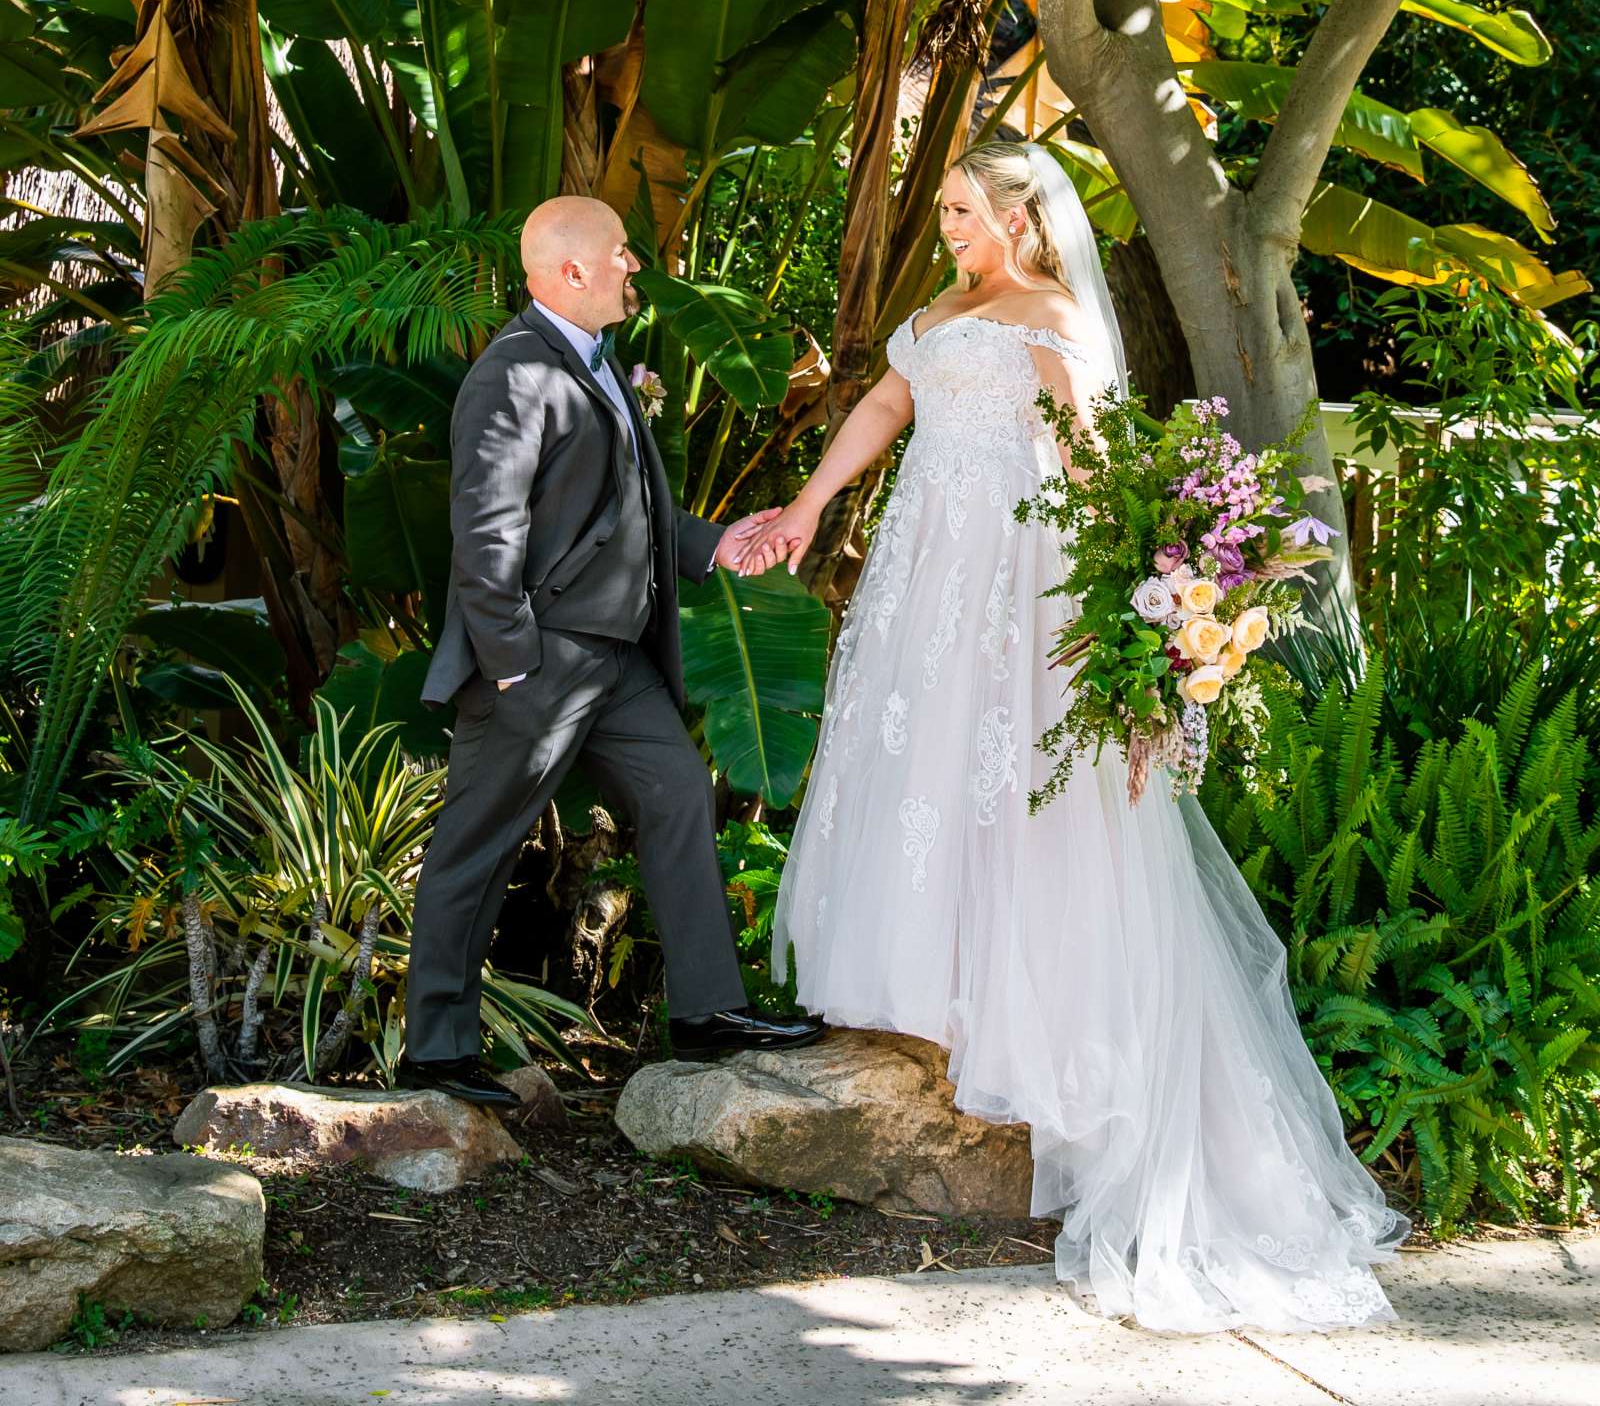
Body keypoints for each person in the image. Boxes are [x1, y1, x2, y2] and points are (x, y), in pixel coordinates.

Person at [735, 142, 1407, 1334]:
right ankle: (921, 993)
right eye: (940, 208)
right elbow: (891, 402)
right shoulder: (944, 307)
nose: (940, 225)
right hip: (921, 566)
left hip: (1013, 574)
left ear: (1019, 217)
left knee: (1008, 775)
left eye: (956, 210)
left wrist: (1142, 616)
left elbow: (1095, 470)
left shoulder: (1049, 317)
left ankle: (1029, 1025)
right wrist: (808, 504)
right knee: (918, 761)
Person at [402, 195, 823, 1103]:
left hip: (618, 662)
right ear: (569, 273)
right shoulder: (512, 376)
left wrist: (720, 545)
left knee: (679, 801)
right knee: (477, 846)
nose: (636, 266)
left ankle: (708, 1012)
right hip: (542, 661)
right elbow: (483, 538)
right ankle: (435, 1052)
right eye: (622, 254)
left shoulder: (594, 361)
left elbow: (627, 512)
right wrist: (513, 662)